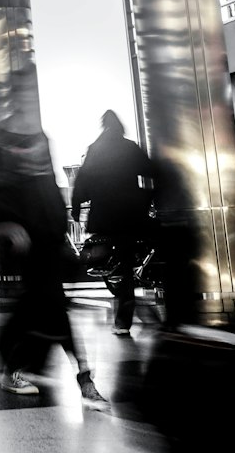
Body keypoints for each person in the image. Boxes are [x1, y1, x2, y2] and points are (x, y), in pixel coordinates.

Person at [0, 129, 107, 407]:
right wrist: (11, 229)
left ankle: (80, 376)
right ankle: (82, 378)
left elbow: (54, 215)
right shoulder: (18, 182)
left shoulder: (39, 180)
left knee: (48, 315)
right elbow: (3, 216)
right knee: (47, 315)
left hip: (47, 258)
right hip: (35, 260)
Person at [71, 110, 158, 335]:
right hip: (131, 215)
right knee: (127, 264)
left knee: (119, 265)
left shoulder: (95, 149)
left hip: (105, 215)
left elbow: (82, 180)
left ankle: (123, 317)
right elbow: (151, 172)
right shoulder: (130, 148)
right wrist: (146, 198)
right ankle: (125, 317)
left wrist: (77, 206)